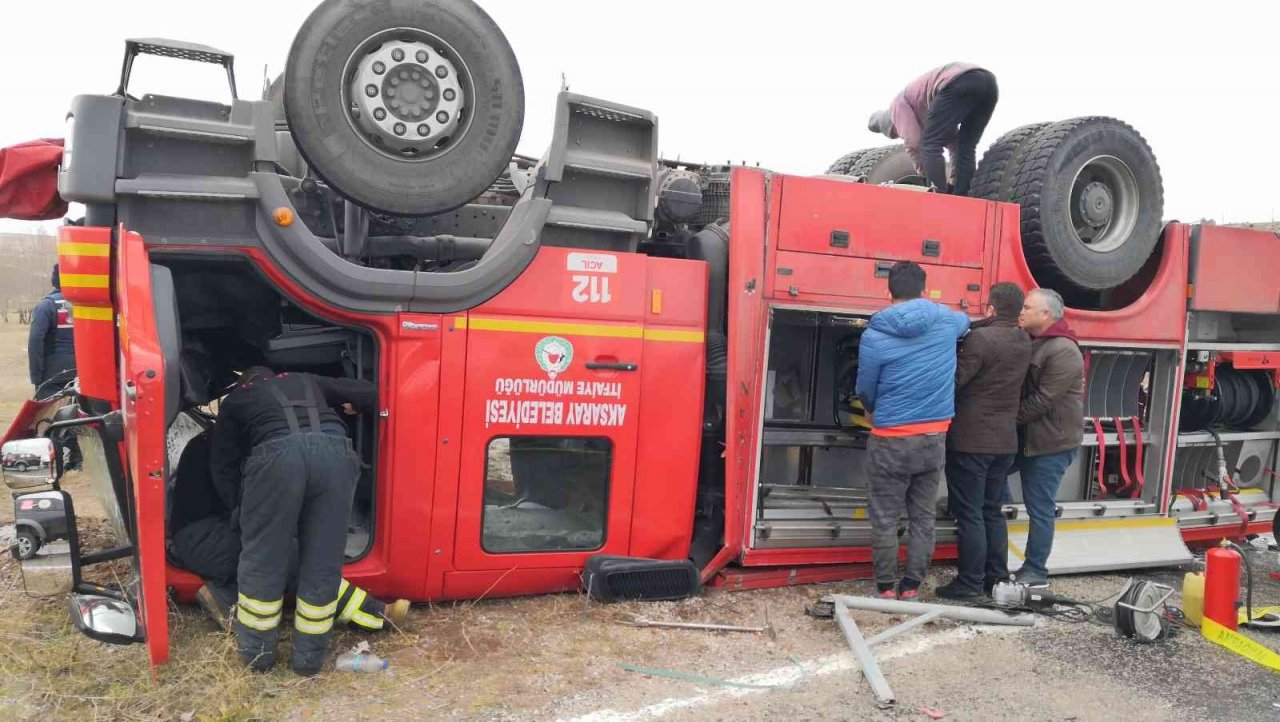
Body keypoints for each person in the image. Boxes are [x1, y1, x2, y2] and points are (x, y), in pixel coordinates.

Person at [210, 366, 378, 675]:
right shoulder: (306, 380)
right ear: (275, 376)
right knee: (323, 561)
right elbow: (367, 391)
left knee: (264, 558)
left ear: (245, 383)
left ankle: (258, 657)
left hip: (277, 461)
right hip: (335, 459)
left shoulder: (238, 400)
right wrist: (355, 408)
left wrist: (240, 510)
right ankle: (308, 662)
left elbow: (222, 464)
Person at [168, 430, 407, 635]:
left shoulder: (213, 440)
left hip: (202, 535)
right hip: (202, 539)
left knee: (275, 548)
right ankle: (374, 614)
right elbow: (249, 511)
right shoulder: (227, 450)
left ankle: (223, 596)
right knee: (288, 555)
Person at [856, 261, 970, 600]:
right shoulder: (947, 320)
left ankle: (886, 587)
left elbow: (865, 387)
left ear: (888, 291)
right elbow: (967, 322)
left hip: (890, 438)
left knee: (885, 516)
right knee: (923, 516)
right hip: (933, 436)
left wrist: (873, 410)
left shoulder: (875, 333)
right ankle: (912, 586)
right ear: (924, 289)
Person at [937, 283, 1031, 600]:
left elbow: (956, 381)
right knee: (992, 511)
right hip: (1004, 442)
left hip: (971, 441)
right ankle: (996, 578)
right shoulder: (1022, 340)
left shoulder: (980, 339)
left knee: (970, 513)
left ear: (990, 308)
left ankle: (969, 582)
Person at [1014, 288, 1084, 588]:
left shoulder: (1063, 350)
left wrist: (1004, 421)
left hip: (1050, 444)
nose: (1021, 311)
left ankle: (1035, 570)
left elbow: (1043, 400)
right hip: (1033, 438)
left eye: (1027, 307)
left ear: (1046, 314)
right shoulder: (1039, 343)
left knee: (1039, 507)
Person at [867, 63, 999, 196]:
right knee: (964, 146)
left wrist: (923, 173)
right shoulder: (925, 112)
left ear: (891, 123)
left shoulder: (897, 106)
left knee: (929, 144)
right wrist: (953, 182)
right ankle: (962, 195)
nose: (900, 134)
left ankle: (937, 196)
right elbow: (954, 146)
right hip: (988, 84)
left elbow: (914, 142)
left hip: (958, 81)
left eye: (896, 132)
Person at [28, 264, 76, 396]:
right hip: (85, 373)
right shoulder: (89, 304)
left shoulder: (46, 306)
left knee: (52, 415)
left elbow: (35, 341)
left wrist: (36, 377)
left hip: (54, 376)